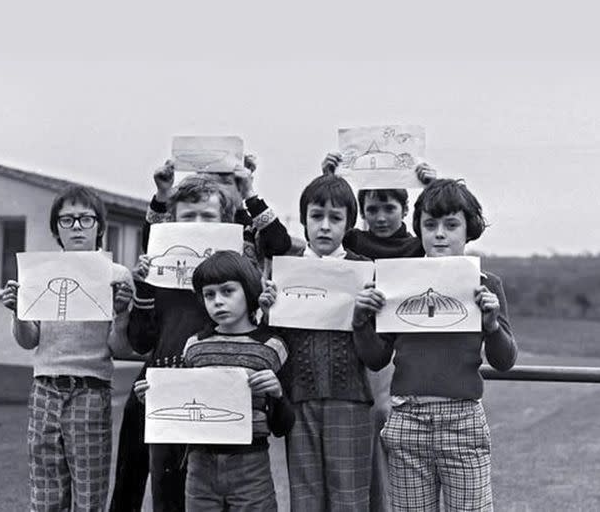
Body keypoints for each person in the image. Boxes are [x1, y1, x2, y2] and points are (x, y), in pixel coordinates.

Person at [116, 163, 294, 512]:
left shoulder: (230, 276)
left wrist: (250, 193)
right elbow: (139, 341)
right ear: (173, 223)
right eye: (189, 216)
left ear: (228, 224)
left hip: (224, 398)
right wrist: (143, 288)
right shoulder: (160, 271)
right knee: (161, 494)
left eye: (207, 216)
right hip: (166, 387)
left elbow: (278, 243)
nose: (198, 225)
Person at [352, 178, 517, 511]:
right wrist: (360, 321)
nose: (440, 233)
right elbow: (376, 358)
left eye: (451, 225)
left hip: (463, 420)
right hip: (407, 420)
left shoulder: (487, 285)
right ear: (419, 229)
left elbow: (504, 360)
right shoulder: (397, 283)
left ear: (469, 230)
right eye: (430, 224)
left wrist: (492, 325)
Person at [1, 185, 134, 512]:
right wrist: (18, 312)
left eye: (85, 219)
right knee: (45, 494)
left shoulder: (116, 276)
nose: (76, 226)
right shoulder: (39, 273)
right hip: (44, 388)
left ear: (100, 226)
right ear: (56, 228)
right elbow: (29, 340)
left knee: (89, 496)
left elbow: (118, 347)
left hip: (90, 389)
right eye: (67, 220)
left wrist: (122, 314)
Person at [136, 250, 295, 511]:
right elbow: (181, 415)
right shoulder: (194, 347)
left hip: (251, 466)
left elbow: (283, 425)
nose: (218, 301)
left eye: (227, 291)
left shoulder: (272, 346)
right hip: (199, 468)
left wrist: (277, 394)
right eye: (209, 294)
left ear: (249, 291)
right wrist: (153, 400)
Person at [321, 151, 435, 511]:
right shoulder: (352, 242)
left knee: (391, 428)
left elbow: (449, 244)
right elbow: (320, 244)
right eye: (372, 209)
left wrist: (432, 188)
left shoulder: (418, 247)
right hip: (355, 344)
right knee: (364, 434)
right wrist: (328, 178)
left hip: (398, 353)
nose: (381, 217)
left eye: (389, 208)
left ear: (405, 209)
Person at [261, 174, 378, 511]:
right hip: (299, 398)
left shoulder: (364, 272)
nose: (325, 226)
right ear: (303, 220)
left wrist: (364, 317)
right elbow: (274, 342)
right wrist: (266, 312)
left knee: (350, 498)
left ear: (349, 224)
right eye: (316, 216)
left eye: (335, 218)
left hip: (350, 398)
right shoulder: (285, 272)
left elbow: (375, 354)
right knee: (306, 498)